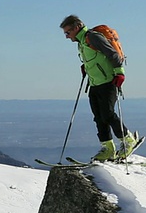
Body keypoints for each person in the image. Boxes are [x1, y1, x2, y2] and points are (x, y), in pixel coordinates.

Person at [59, 15, 138, 161]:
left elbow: (112, 54)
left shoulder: (92, 37)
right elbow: (96, 58)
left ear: (76, 28)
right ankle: (108, 148)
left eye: (67, 32)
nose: (66, 36)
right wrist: (86, 68)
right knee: (98, 117)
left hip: (109, 82)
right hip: (95, 84)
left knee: (107, 114)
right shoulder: (81, 42)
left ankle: (128, 139)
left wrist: (120, 73)